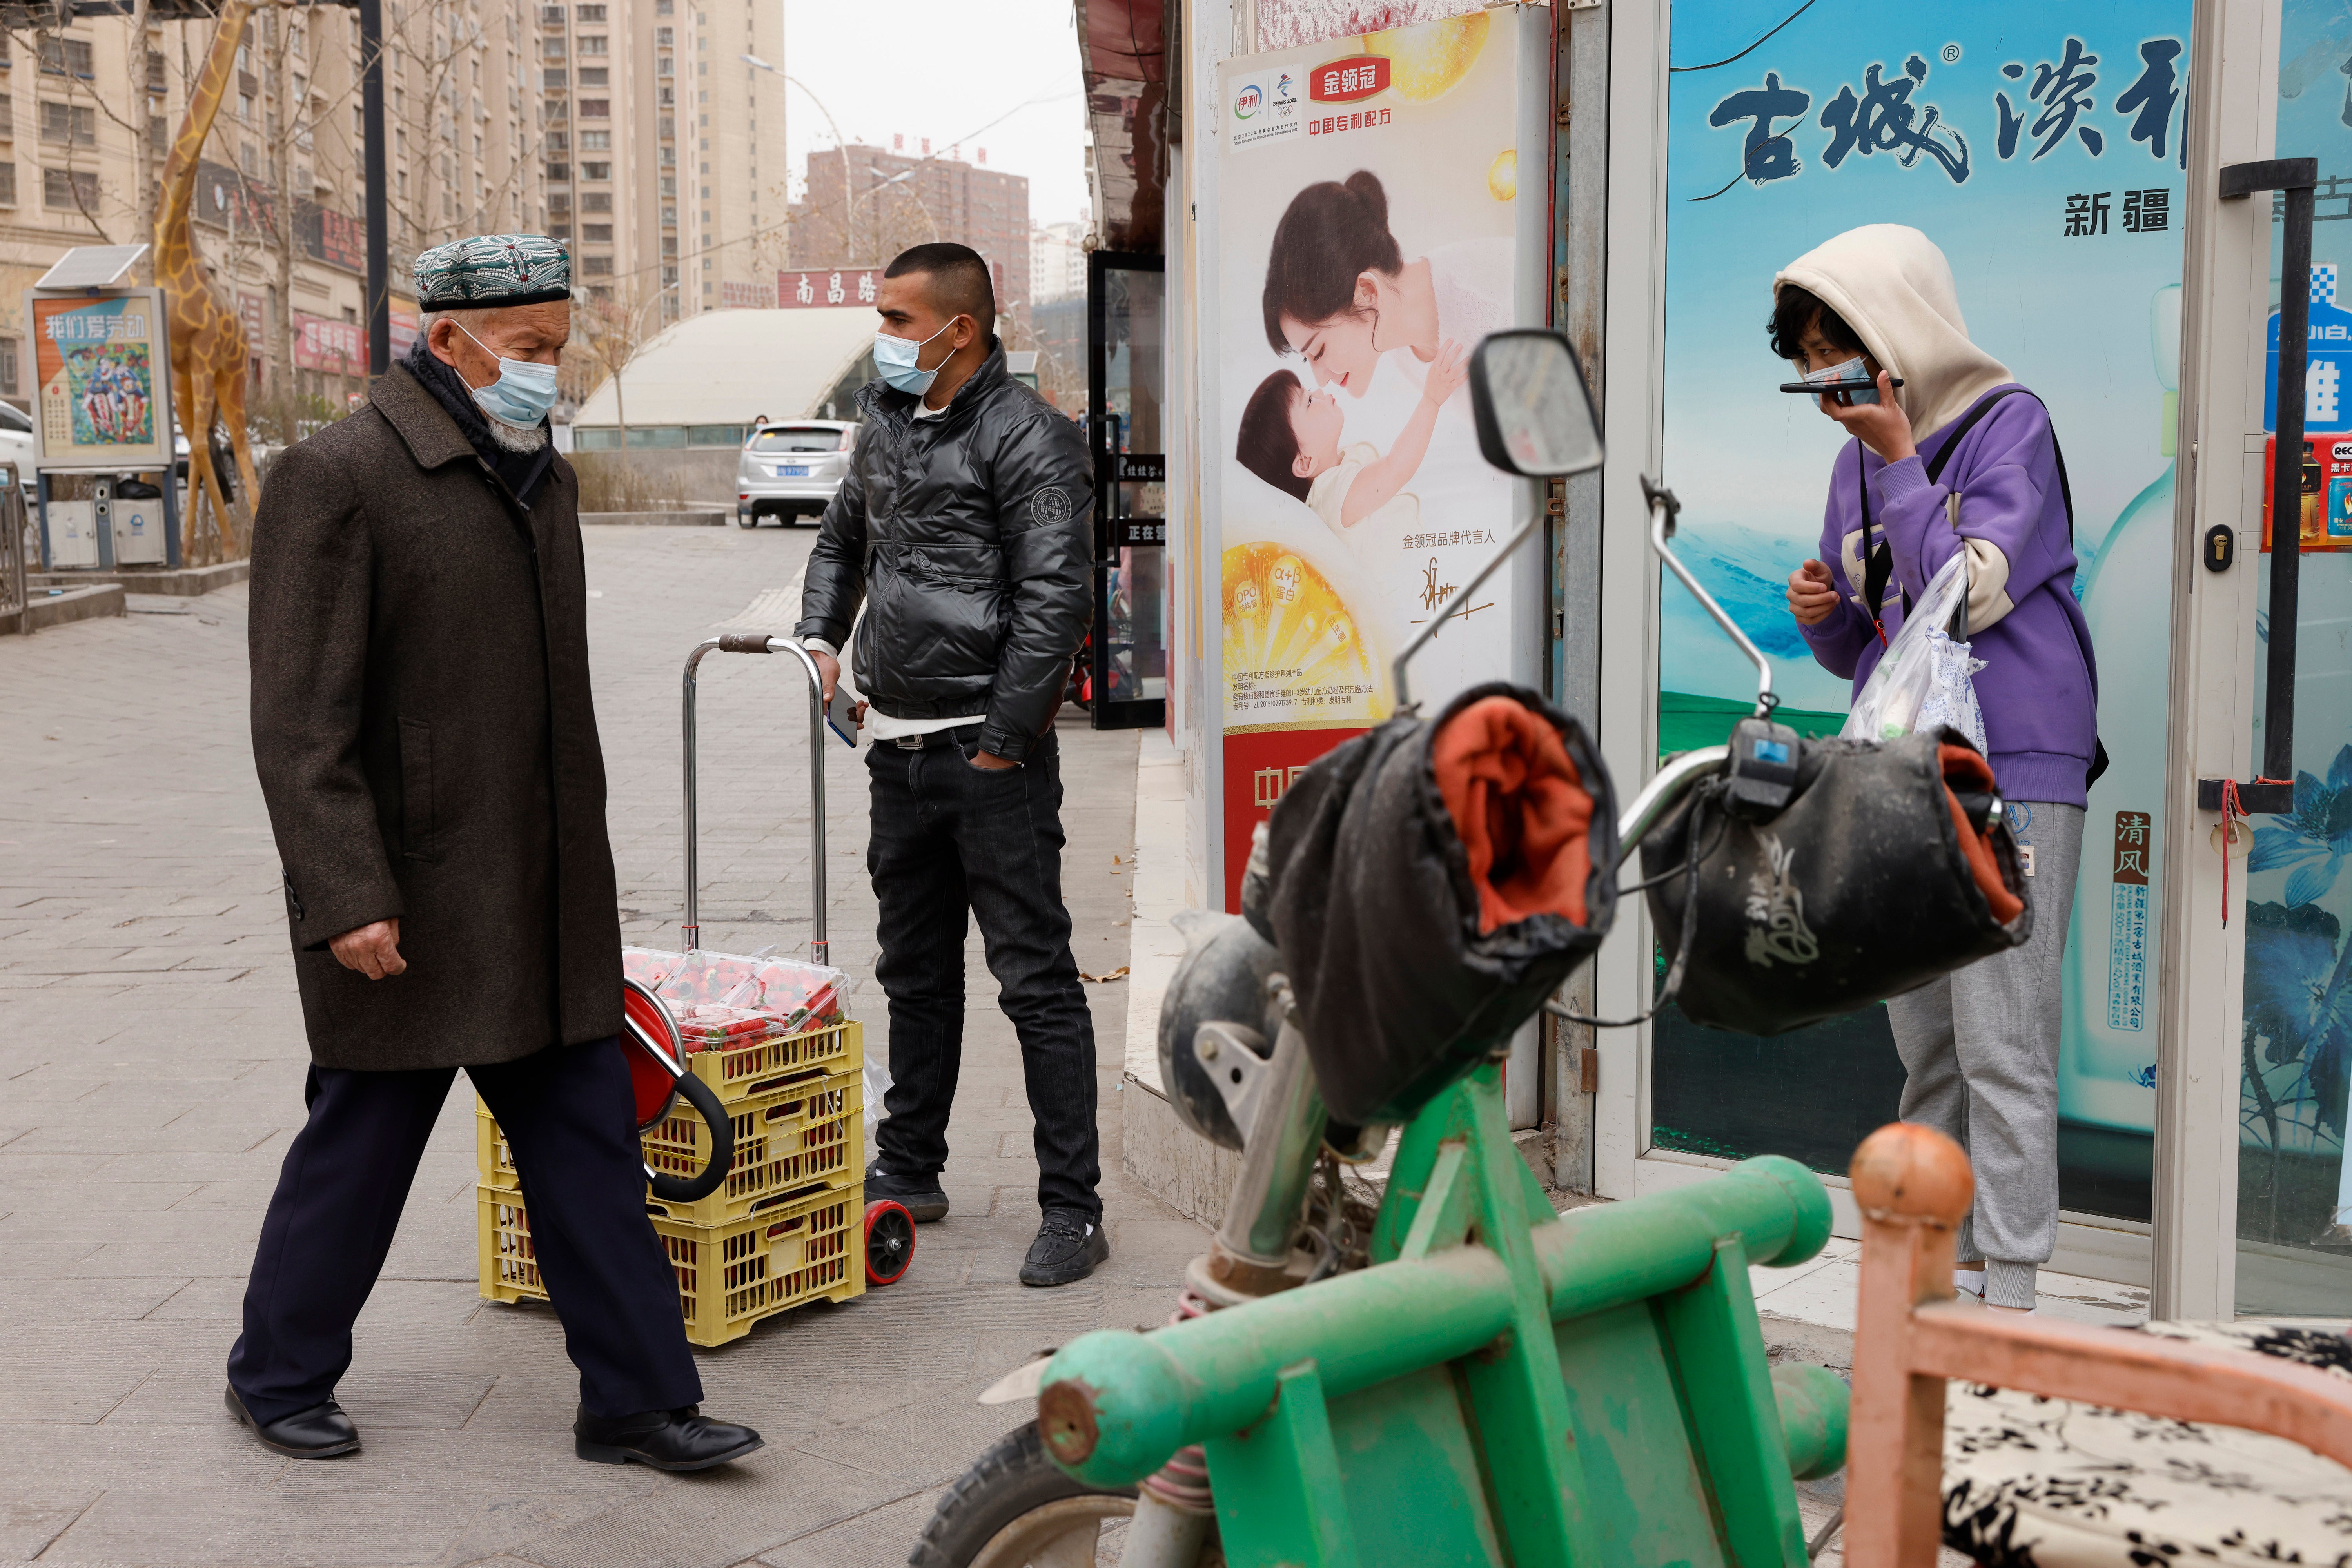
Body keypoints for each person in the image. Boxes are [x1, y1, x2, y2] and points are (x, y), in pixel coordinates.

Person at [233, 234, 761, 1469]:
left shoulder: (537, 476)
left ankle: (636, 1400)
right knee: (357, 1154)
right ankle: (275, 1372)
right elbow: (298, 719)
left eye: (557, 353)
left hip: (540, 892)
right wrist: (347, 892)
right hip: (405, 902)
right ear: (449, 340)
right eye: (528, 352)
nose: (546, 376)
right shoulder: (339, 476)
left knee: (588, 1148)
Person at [1775, 223, 2098, 1316]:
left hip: (2017, 755)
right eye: (1815, 367)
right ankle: (1943, 1251)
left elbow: (1970, 590)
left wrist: (1904, 459)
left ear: (1899, 332)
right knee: (1926, 1032)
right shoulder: (1852, 464)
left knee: (2003, 1029)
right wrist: (1825, 620)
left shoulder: (2015, 427)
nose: (1834, 388)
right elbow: (1884, 639)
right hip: (1907, 765)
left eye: (1846, 357)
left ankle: (2011, 1281)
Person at [794, 243, 1106, 1286]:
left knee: (1036, 982)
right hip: (896, 749)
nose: (881, 336)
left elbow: (1056, 600)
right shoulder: (883, 425)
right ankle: (911, 1165)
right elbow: (844, 542)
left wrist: (1002, 745)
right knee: (915, 976)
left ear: (957, 330)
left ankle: (1073, 1207)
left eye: (895, 317)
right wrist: (819, 638)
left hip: (991, 758)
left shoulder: (1032, 438)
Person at [1263, 169, 1509, 403]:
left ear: (1367, 291)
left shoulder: (1493, 300)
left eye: (1319, 352)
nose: (1321, 381)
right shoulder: (1402, 352)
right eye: (1308, 360)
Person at [1234, 345, 1468, 545]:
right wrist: (1432, 400)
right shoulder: (1333, 499)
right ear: (1305, 462)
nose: (1318, 391)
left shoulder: (1338, 471)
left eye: (1308, 390)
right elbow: (1396, 468)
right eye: (1307, 401)